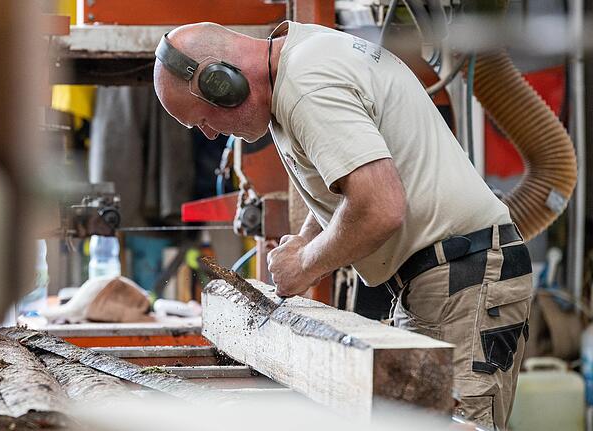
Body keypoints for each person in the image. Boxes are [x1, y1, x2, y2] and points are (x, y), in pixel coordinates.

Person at [152, 21, 532, 430]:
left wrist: (306, 265)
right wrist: (304, 240)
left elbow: (380, 206)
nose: (209, 134)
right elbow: (351, 187)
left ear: (221, 82)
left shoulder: (307, 88)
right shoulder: (299, 64)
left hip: (462, 280)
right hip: (443, 278)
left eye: (202, 119)